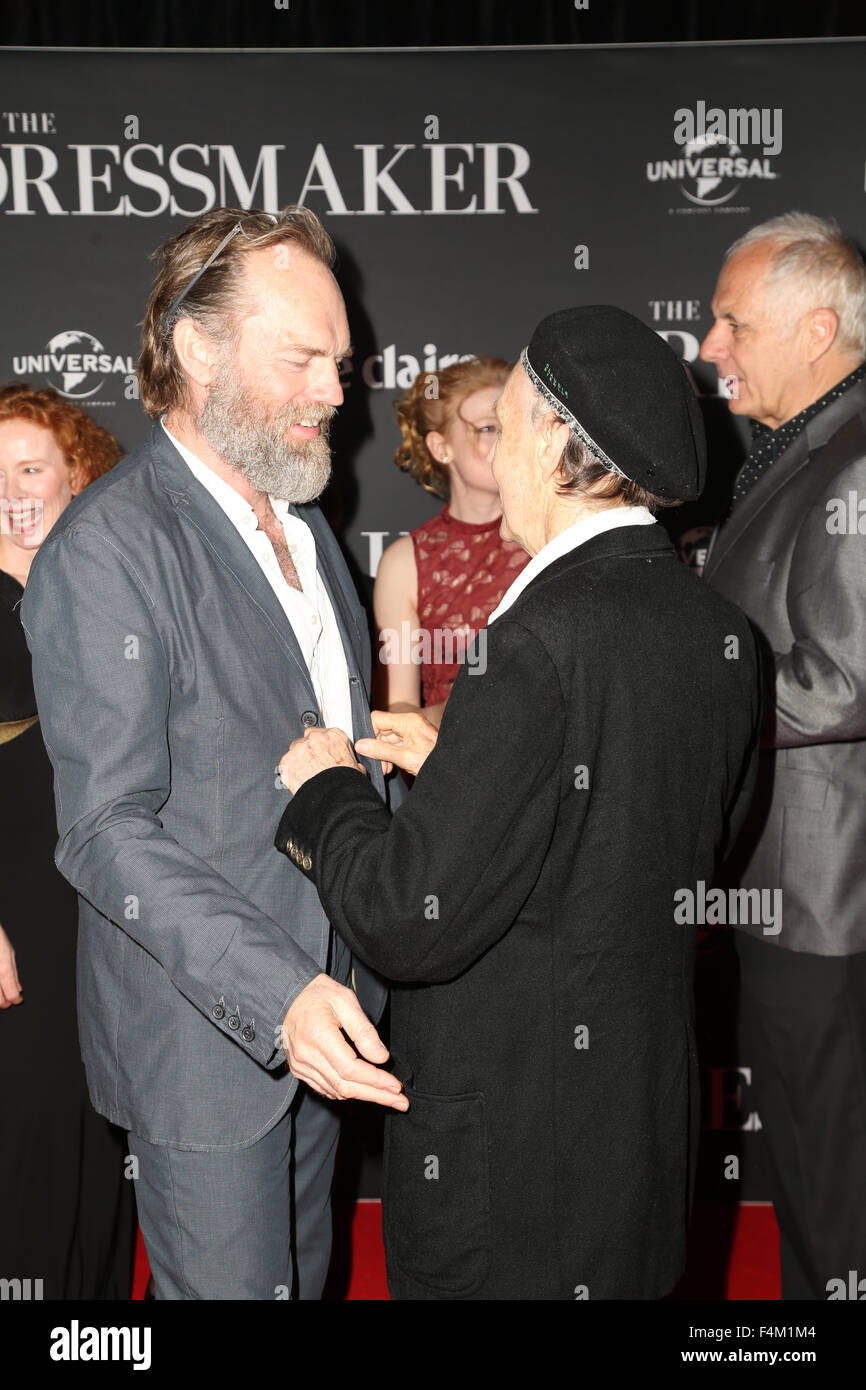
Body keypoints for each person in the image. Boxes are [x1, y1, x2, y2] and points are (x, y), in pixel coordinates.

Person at [275, 305, 762, 1300]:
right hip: (635, 1134)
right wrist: (466, 767)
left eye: (509, 415)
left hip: (508, 1164)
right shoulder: (718, 632)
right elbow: (673, 841)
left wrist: (324, 793)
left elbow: (410, 921)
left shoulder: (531, 643)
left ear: (547, 438)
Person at [20, 205, 408, 1303]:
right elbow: (104, 830)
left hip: (328, 1007)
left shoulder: (304, 518)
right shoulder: (108, 549)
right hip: (210, 1034)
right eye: (302, 358)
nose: (339, 392)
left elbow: (297, 745)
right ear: (198, 351)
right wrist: (276, 991)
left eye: (340, 362)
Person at [699, 212, 866, 1300]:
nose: (708, 347)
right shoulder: (805, 447)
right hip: (787, 892)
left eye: (729, 322)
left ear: (816, 328)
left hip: (821, 898)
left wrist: (684, 707)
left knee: (831, 1190)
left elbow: (843, 680)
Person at [0, 383, 136, 1299]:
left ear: (78, 475)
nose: (7, 489)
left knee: (102, 1126)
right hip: (14, 910)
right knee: (27, 1136)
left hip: (107, 903)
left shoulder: (102, 594)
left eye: (28, 468)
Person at [375, 357, 528, 725]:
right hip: (456, 771)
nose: (504, 440)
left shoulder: (553, 540)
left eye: (513, 425)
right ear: (441, 447)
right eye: (488, 428)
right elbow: (401, 710)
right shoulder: (405, 563)